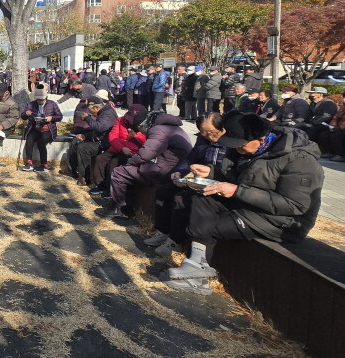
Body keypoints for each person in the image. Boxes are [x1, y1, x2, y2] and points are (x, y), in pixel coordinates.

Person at [163, 112, 324, 296]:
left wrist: (237, 191)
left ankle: (198, 278)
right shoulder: (244, 149)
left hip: (280, 221)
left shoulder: (299, 161)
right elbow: (234, 177)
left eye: (241, 145)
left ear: (261, 139)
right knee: (200, 196)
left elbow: (295, 205)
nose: (236, 149)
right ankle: (196, 265)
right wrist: (212, 173)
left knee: (208, 225)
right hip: (247, 206)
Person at [147, 112, 227, 257]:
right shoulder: (203, 140)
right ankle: (163, 231)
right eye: (204, 133)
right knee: (164, 188)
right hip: (200, 181)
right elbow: (190, 158)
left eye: (212, 132)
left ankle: (175, 241)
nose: (209, 136)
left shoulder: (230, 143)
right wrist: (179, 172)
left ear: (222, 128)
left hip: (218, 185)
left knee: (181, 198)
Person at [97, 110, 192, 220]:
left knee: (119, 172)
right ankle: (127, 205)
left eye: (140, 129)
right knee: (131, 169)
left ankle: (119, 208)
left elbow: (145, 154)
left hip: (165, 171)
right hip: (173, 167)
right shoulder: (171, 127)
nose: (140, 132)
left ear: (143, 125)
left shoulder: (158, 130)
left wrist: (130, 162)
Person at [88, 104, 147, 196]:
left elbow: (145, 142)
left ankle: (109, 188)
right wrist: (121, 148)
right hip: (117, 148)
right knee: (100, 159)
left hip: (132, 152)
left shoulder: (145, 126)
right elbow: (113, 137)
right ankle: (100, 184)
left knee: (114, 162)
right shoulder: (120, 121)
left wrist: (134, 136)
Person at [66, 96, 117, 185]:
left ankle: (86, 178)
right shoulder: (102, 112)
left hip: (105, 142)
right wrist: (85, 136)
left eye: (90, 110)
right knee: (76, 140)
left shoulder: (108, 114)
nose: (89, 112)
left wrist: (86, 118)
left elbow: (99, 127)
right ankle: (74, 171)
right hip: (98, 137)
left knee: (83, 147)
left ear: (96, 108)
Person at [21, 87, 64, 173]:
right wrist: (26, 113)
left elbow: (60, 116)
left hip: (48, 129)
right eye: (38, 100)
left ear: (46, 98)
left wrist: (51, 118)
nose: (40, 101)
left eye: (42, 100)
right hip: (35, 127)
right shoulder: (31, 104)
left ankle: (44, 164)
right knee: (29, 139)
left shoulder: (52, 104)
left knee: (41, 142)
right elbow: (23, 116)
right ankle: (29, 162)